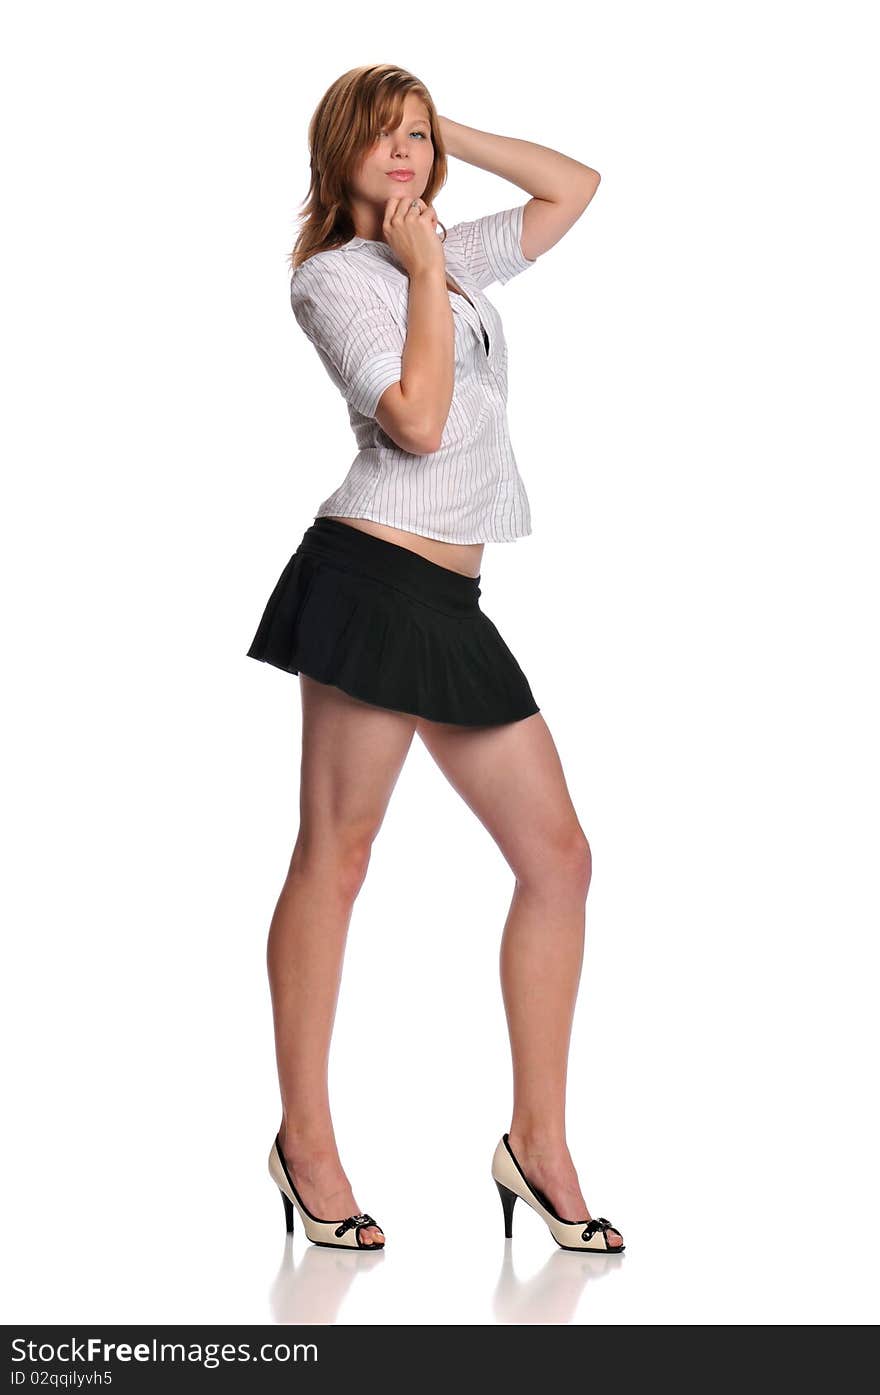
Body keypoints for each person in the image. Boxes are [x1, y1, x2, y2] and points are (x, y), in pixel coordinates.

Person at [248, 64, 624, 1254]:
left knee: (556, 859)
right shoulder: (335, 279)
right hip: (370, 581)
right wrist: (416, 262)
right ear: (336, 150)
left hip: (451, 599)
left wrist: (441, 127)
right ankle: (305, 1144)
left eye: (418, 137)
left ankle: (537, 1143)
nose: (406, 152)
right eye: (384, 135)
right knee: (339, 857)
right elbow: (410, 418)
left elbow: (574, 188)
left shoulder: (448, 251)